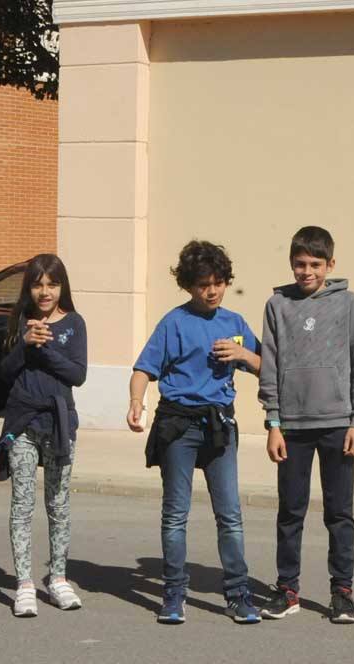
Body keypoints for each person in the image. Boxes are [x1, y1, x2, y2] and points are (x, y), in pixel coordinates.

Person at [127, 240, 263, 625]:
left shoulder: (235, 323)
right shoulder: (174, 323)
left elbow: (267, 366)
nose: (212, 290)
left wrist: (244, 356)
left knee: (230, 515)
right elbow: (143, 368)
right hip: (178, 426)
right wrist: (137, 402)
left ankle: (238, 595)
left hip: (220, 426)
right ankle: (173, 594)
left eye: (219, 282)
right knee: (175, 515)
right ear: (188, 285)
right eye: (204, 283)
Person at [258, 225, 354, 623]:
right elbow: (268, 366)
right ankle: (287, 589)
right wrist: (272, 422)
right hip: (291, 427)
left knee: (339, 513)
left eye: (315, 264)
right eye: (299, 264)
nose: (306, 271)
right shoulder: (277, 305)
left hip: (338, 425)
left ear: (330, 264)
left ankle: (342, 592)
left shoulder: (348, 304)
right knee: (290, 511)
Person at [0, 254, 88, 617]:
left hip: (60, 424)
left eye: (52, 284)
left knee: (58, 504)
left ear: (62, 287)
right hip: (22, 424)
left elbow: (76, 375)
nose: (45, 292)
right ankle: (24, 584)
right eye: (38, 284)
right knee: (22, 504)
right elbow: (4, 371)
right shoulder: (19, 320)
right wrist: (24, 343)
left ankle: (59, 578)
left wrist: (44, 349)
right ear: (29, 288)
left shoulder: (74, 324)